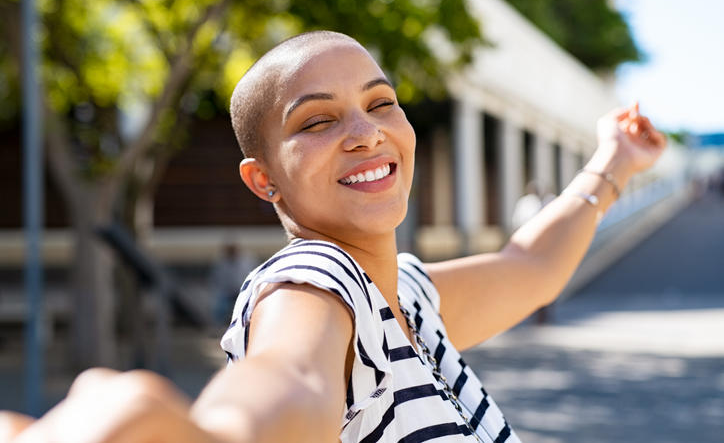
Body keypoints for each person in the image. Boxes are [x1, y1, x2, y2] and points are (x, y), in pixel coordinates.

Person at [0, 31, 667, 442]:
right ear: (264, 181)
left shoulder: (404, 293)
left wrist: (615, 160)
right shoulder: (316, 282)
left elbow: (531, 267)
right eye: (317, 121)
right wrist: (216, 434)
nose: (366, 131)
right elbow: (288, 378)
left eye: (380, 103)